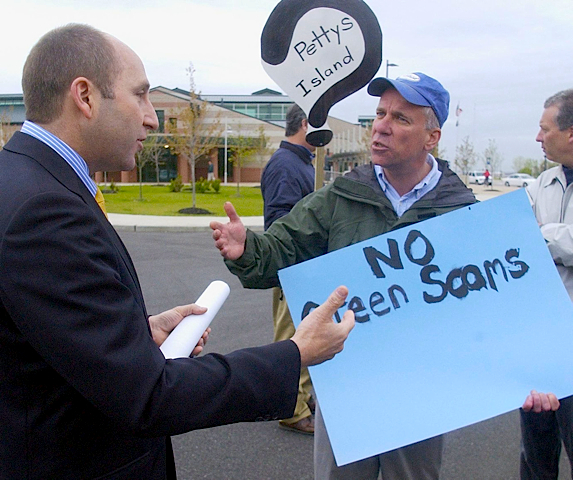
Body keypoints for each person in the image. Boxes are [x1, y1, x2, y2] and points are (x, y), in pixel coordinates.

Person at [0, 24, 355, 480]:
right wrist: (295, 354)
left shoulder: (24, 179)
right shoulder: (45, 211)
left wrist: (134, 333)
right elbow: (148, 396)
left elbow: (36, 336)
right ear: (85, 97)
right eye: (141, 95)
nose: (152, 118)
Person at [211, 72, 477, 479]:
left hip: (422, 389)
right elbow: (283, 249)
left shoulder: (464, 212)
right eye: (380, 113)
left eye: (401, 119)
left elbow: (492, 310)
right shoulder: (343, 196)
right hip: (346, 383)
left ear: (432, 137)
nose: (382, 126)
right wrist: (247, 248)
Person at [520, 88, 573, 480]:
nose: (538, 138)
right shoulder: (542, 184)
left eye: (545, 129)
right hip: (538, 339)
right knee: (536, 454)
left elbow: (533, 237)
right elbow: (515, 236)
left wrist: (541, 236)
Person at [261, 103, 317, 435]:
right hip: (293, 265)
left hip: (303, 264)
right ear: (307, 123)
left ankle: (301, 397)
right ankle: (291, 409)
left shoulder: (299, 163)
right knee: (291, 338)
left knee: (306, 332)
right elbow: (280, 221)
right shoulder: (286, 166)